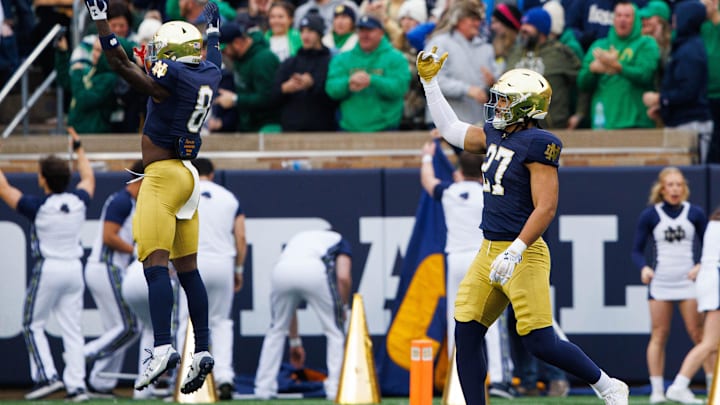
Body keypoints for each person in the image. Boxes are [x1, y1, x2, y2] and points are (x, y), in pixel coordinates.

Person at [416, 46, 629, 404]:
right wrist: (430, 83)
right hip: (487, 251)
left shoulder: (540, 143)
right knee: (466, 333)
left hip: (524, 252)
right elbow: (452, 129)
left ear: (525, 106)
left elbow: (546, 208)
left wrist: (516, 251)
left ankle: (608, 385)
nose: (497, 106)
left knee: (539, 340)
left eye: (504, 101)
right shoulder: (495, 134)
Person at [84, 0, 222, 394]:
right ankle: (203, 349)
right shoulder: (210, 70)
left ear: (173, 56)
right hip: (189, 176)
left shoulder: (168, 81)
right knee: (189, 271)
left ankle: (163, 346)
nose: (155, 56)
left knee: (155, 265)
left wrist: (100, 21)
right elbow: (212, 52)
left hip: (161, 177)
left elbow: (121, 65)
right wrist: (213, 31)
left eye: (162, 51)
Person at [0, 130, 95, 401]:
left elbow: (4, 188)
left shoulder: (37, 206)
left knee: (32, 324)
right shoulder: (78, 201)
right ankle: (77, 386)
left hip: (49, 268)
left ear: (42, 179)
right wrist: (78, 148)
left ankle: (47, 376)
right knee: (73, 328)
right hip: (75, 269)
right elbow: (89, 178)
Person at [420, 139, 517, 399]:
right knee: (492, 319)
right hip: (482, 257)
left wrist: (428, 156)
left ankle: (457, 374)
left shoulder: (450, 191)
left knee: (457, 316)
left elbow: (428, 182)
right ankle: (498, 379)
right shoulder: (489, 192)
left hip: (455, 260)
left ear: (457, 172)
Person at [630, 166, 710, 404]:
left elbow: (710, 245)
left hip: (688, 282)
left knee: (700, 335)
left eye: (679, 185)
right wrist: (644, 268)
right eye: (670, 185)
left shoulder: (694, 212)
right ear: (662, 189)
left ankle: (710, 384)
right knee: (659, 334)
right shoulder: (650, 215)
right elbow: (636, 250)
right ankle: (657, 389)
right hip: (661, 282)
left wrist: (700, 265)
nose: (675, 189)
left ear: (684, 188)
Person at [254, 229, 352, 400]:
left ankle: (263, 388)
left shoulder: (297, 241)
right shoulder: (340, 241)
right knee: (335, 331)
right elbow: (343, 277)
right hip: (313, 269)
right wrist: (342, 307)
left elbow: (290, 308)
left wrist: (295, 342)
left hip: (281, 270)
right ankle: (335, 388)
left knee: (276, 329)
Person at [83, 159, 144, 398]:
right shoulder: (122, 201)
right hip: (107, 267)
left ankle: (100, 382)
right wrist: (135, 251)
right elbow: (109, 236)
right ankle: (83, 355)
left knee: (117, 327)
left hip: (107, 268)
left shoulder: (127, 201)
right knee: (130, 326)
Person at [191, 158, 247, 400]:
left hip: (193, 261)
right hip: (223, 262)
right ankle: (224, 376)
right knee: (222, 321)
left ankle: (190, 374)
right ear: (212, 174)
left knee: (188, 320)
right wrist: (239, 270)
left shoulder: (185, 194)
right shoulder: (229, 197)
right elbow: (241, 238)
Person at [642, 0, 713, 164]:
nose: (673, 21)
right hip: (679, 122)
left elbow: (688, 91)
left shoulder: (691, 51)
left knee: (688, 178)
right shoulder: (683, 47)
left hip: (691, 125)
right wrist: (664, 107)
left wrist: (660, 99)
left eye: (677, 16)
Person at [665, 206, 720, 404]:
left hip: (708, 281)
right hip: (715, 282)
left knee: (712, 343)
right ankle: (679, 386)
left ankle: (715, 393)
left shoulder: (714, 222)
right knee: (710, 343)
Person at [577, 1, 659, 130]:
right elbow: (582, 83)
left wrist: (618, 67)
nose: (622, 20)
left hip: (637, 123)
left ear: (635, 20)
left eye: (627, 16)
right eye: (619, 15)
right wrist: (592, 70)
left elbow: (645, 74)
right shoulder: (599, 46)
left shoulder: (646, 43)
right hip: (604, 122)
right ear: (613, 19)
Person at [325, 14, 411, 132]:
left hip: (386, 129)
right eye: (361, 30)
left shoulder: (396, 58)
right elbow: (331, 88)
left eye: (370, 30)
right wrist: (348, 82)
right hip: (348, 128)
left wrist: (372, 80)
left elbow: (400, 88)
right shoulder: (342, 59)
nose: (365, 35)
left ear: (381, 33)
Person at [272, 13, 338, 131]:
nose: (305, 36)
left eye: (310, 31)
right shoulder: (290, 62)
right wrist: (285, 88)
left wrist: (313, 85)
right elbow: (272, 95)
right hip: (291, 129)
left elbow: (334, 97)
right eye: (302, 31)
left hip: (323, 130)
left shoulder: (331, 62)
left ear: (319, 34)